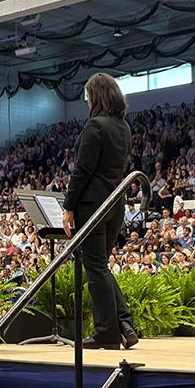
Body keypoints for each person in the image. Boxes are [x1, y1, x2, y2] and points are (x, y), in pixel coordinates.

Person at [62, 72, 139, 350]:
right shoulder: (123, 127)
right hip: (115, 205)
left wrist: (69, 206)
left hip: (92, 206)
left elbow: (82, 171)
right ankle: (125, 323)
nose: (86, 101)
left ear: (97, 96)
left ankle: (106, 333)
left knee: (94, 269)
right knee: (100, 267)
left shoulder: (95, 126)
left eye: (88, 95)